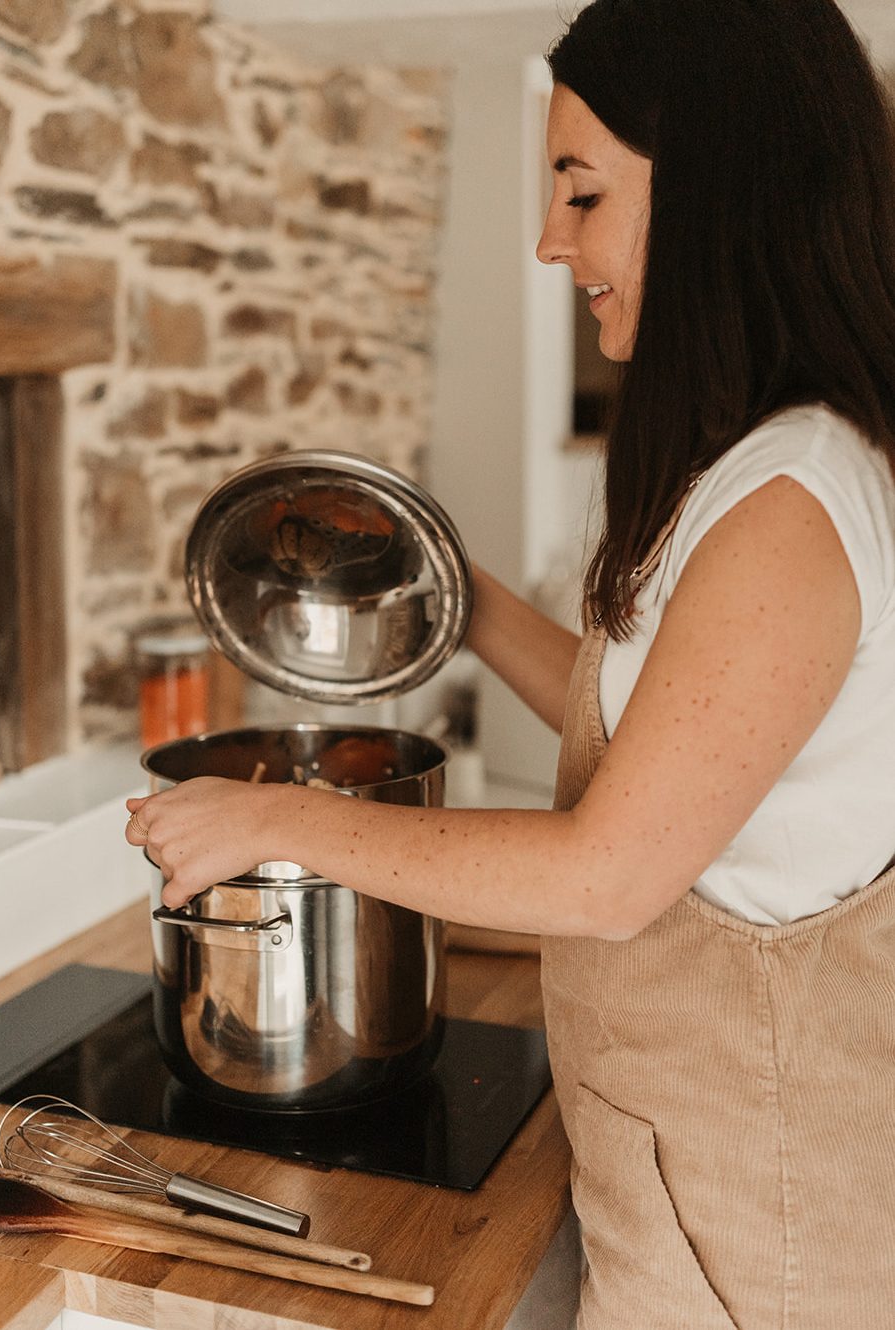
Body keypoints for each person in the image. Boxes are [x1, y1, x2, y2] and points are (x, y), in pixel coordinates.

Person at [126, 2, 895, 1324]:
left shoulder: (792, 502)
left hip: (763, 1254)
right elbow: (654, 742)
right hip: (687, 1195)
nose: (552, 242)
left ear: (719, 194)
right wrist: (457, 593)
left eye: (582, 193)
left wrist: (277, 821)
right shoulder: (746, 471)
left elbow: (608, 873)